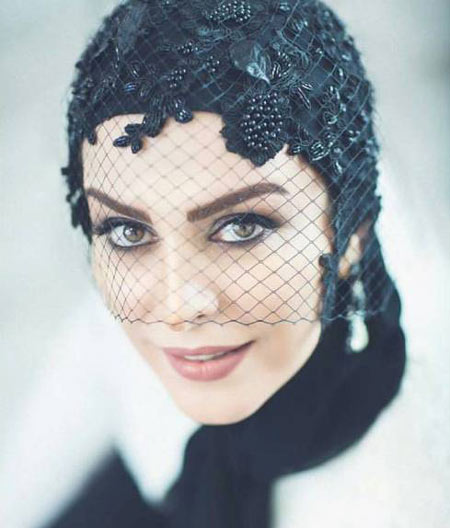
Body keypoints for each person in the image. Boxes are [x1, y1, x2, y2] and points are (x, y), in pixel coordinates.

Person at [42, 0, 409, 526]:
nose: (177, 306)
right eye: (128, 230)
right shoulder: (106, 330)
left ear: (353, 233)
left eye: (241, 227)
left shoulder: (416, 488)